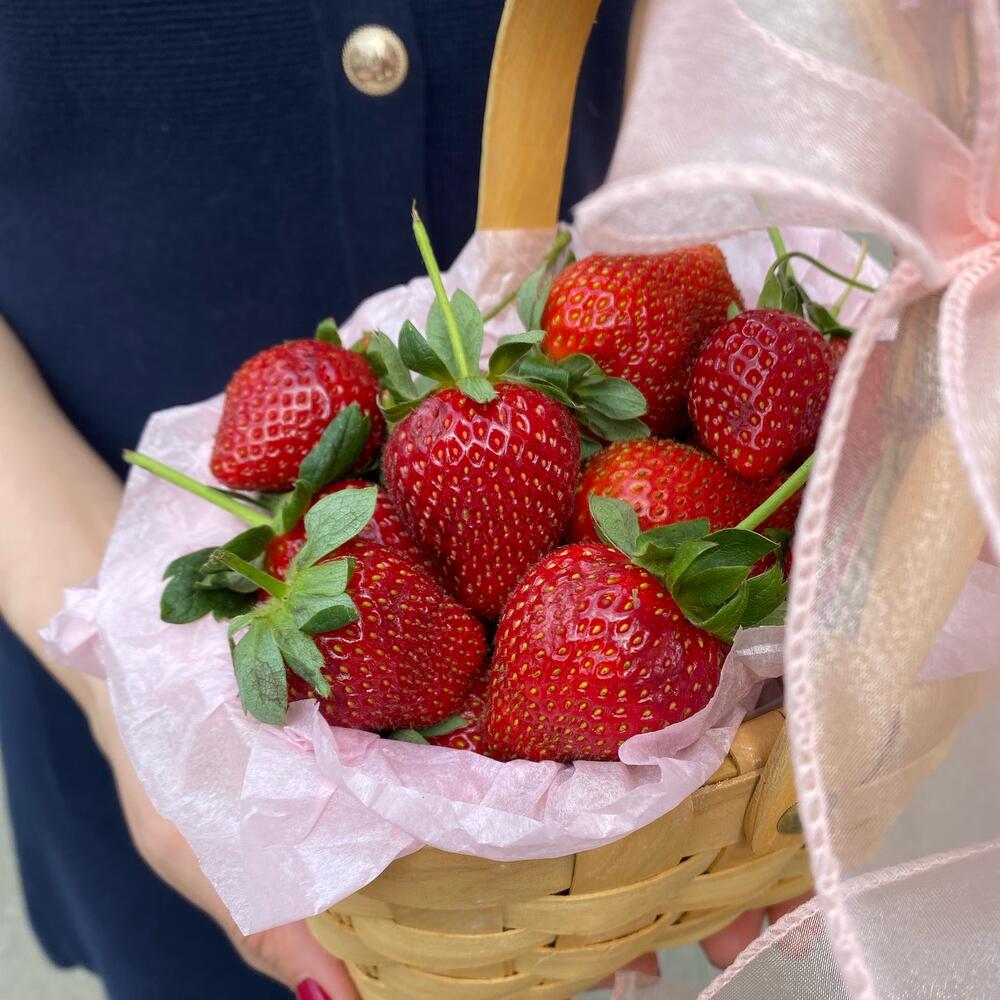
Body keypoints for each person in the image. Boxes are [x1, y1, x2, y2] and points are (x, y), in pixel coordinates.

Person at [0, 3, 806, 998]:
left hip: (579, 360)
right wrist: (130, 684)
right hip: (89, 530)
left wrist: (679, 193)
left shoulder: (568, 461)